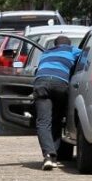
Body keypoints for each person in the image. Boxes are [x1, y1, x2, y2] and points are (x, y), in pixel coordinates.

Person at [33, 35, 82, 170]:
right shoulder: (73, 50)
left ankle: (49, 156)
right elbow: (84, 62)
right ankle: (55, 154)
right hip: (60, 83)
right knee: (58, 119)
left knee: (43, 122)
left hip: (41, 83)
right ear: (69, 44)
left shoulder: (45, 53)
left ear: (55, 45)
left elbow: (37, 70)